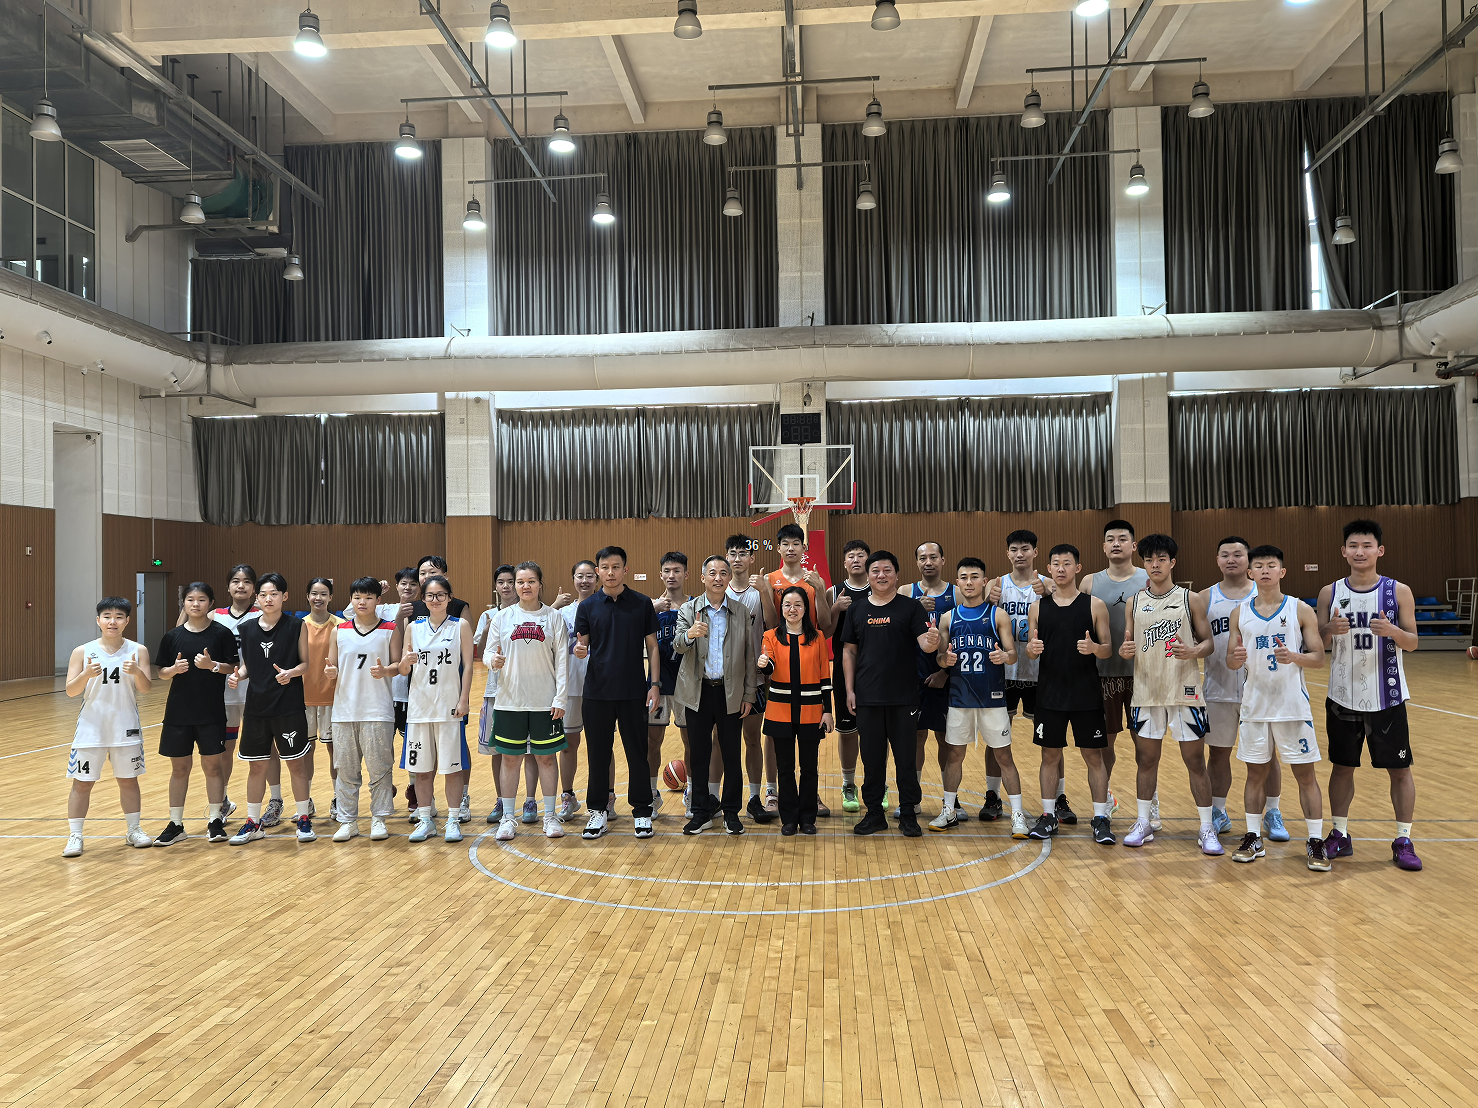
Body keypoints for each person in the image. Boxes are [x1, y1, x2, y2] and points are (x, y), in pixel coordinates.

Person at [1317, 519, 1422, 871]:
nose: (1359, 552)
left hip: (1387, 697)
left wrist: (1393, 631)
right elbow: (1318, 645)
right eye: (1353, 546)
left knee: (1400, 771)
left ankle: (1403, 839)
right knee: (1342, 768)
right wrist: (1329, 629)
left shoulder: (1398, 591)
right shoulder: (1329, 592)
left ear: (1380, 550)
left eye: (1366, 546)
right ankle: (1340, 833)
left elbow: (1413, 643)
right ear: (1343, 551)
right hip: (1342, 696)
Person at [1226, 546, 1330, 871]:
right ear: (1250, 573)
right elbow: (1230, 660)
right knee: (1255, 773)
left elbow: (1319, 657)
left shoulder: (1300, 609)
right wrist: (1235, 659)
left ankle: (1315, 840)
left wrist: (1294, 657)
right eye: (1259, 566)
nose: (1266, 570)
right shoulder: (1240, 613)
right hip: (1255, 707)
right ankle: (1253, 836)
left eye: (1272, 565)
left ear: (1282, 572)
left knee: (1305, 775)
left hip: (1292, 707)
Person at [1118, 534, 1218, 854]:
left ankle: (1207, 827)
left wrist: (1194, 651)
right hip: (1147, 692)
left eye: (1161, 559)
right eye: (1149, 560)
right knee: (1146, 759)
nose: (1155, 565)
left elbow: (1209, 643)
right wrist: (1124, 650)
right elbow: (1127, 646)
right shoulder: (1134, 602)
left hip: (1184, 691)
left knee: (1195, 761)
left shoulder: (1191, 599)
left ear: (1172, 562)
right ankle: (1144, 821)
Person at [841, 551, 939, 837]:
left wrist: (934, 640)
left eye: (887, 570)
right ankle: (874, 813)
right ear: (868, 576)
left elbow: (926, 645)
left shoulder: (911, 608)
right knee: (872, 760)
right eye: (875, 571)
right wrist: (849, 690)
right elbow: (849, 652)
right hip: (867, 697)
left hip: (904, 697)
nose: (881, 575)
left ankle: (908, 813)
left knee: (905, 759)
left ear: (897, 575)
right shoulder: (857, 610)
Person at [1198, 538, 1289, 842]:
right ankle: (1218, 811)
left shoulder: (1264, 594)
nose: (1231, 559)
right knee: (1218, 754)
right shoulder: (1205, 598)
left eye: (1238, 554)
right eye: (1225, 555)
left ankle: (1272, 812)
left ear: (1248, 561)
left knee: (1268, 756)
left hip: (1263, 692)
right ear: (1217, 560)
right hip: (1218, 688)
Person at [1025, 545, 1115, 844]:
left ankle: (1101, 818)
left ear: (1078, 568)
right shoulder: (1038, 607)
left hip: (1085, 694)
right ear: (1049, 569)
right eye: (1056, 563)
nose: (1061, 568)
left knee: (1094, 756)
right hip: (1050, 694)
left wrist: (1094, 648)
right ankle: (1049, 815)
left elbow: (1107, 649)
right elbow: (1031, 650)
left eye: (1067, 563)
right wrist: (1031, 649)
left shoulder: (1095, 605)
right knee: (1049, 756)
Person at [575, 546, 661, 840]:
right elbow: (582, 643)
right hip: (596, 693)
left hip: (633, 692)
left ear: (625, 570)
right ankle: (598, 812)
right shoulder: (587, 607)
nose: (610, 572)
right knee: (598, 755)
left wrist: (654, 684)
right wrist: (580, 649)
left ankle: (642, 812)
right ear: (598, 571)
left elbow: (652, 646)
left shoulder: (641, 603)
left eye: (615, 567)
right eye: (605, 567)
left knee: (637, 754)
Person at [226, 575, 315, 845]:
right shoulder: (247, 628)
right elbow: (248, 666)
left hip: (288, 706)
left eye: (274, 594)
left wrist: (291, 673)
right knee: (256, 767)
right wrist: (238, 676)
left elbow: (305, 664)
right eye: (263, 594)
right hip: (256, 708)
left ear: (284, 597)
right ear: (257, 598)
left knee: (296, 764)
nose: (268, 599)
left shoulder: (297, 625)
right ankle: (253, 822)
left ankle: (303, 818)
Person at [62, 597, 154, 857]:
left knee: (128, 781)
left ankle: (134, 830)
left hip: (126, 726)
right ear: (98, 620)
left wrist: (137, 672)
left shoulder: (138, 650)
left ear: (127, 621)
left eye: (118, 617)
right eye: (107, 616)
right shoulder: (82, 651)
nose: (113, 621)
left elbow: (146, 688)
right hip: (91, 728)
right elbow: (70, 691)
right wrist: (85, 675)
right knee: (82, 783)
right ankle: (75, 836)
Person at [675, 555, 758, 835]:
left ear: (729, 578)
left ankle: (732, 812)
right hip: (698, 693)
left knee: (732, 754)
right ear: (703, 578)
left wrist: (749, 695)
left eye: (723, 573)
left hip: (730, 693)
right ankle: (701, 813)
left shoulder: (741, 611)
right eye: (712, 573)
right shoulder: (689, 609)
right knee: (699, 755)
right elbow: (677, 645)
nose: (718, 578)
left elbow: (749, 656)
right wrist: (690, 635)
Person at [934, 558, 1018, 833]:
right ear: (957, 582)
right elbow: (940, 657)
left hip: (992, 698)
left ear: (984, 581)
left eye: (974, 577)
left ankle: (1017, 814)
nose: (969, 582)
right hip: (960, 699)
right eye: (964, 577)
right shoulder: (948, 618)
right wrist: (944, 660)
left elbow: (1013, 654)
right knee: (954, 755)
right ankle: (949, 810)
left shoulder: (998, 615)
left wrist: (1005, 656)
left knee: (1004, 756)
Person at [488, 561, 570, 842]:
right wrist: (492, 660)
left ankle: (550, 816)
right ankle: (508, 818)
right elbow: (487, 652)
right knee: (510, 760)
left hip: (545, 701)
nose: (525, 586)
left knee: (546, 758)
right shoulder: (502, 617)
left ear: (540, 585)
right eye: (520, 581)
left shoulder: (554, 618)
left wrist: (560, 697)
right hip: (509, 701)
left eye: (531, 581)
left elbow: (562, 661)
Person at [153, 582, 239, 845]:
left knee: (212, 766)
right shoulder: (172, 636)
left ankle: (215, 820)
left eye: (202, 599)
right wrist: (173, 670)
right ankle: (176, 824)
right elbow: (161, 672)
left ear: (210, 603)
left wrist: (212, 665)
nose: (195, 604)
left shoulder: (221, 633)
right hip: (178, 713)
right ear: (184, 603)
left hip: (211, 712)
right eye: (190, 599)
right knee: (179, 769)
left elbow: (233, 666)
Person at [760, 524, 831, 817]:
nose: (791, 548)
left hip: (808, 654)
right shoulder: (769, 579)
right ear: (778, 548)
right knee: (777, 731)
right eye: (785, 544)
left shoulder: (814, 580)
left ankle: (811, 797)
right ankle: (773, 791)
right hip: (778, 655)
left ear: (804, 548)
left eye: (796, 543)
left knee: (808, 745)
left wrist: (821, 590)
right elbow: (769, 622)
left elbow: (825, 625)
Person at [1081, 519, 1147, 819]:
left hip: (1141, 676)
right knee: (1104, 744)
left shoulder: (1148, 579)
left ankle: (1150, 801)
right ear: (1104, 546)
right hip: (1101, 675)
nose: (1116, 543)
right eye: (1110, 539)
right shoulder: (1089, 582)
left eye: (1122, 538)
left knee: (1145, 745)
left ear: (1133, 545)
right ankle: (1104, 798)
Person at [401, 574, 474, 844]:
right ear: (423, 599)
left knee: (452, 768)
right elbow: (403, 669)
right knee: (422, 770)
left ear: (449, 597)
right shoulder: (413, 627)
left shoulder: (460, 626)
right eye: (430, 595)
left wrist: (464, 699)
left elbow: (469, 665)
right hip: (419, 708)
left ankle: (453, 820)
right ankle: (425, 820)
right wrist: (406, 662)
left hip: (448, 707)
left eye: (440, 595)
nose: (435, 599)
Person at [327, 577, 401, 843]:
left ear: (378, 601)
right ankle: (348, 820)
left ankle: (379, 818)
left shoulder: (390, 629)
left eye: (368, 597)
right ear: (351, 600)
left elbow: (399, 666)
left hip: (377, 710)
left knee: (380, 768)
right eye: (357, 597)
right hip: (344, 711)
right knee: (345, 769)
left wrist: (386, 671)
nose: (362, 602)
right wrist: (330, 672)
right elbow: (331, 667)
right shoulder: (339, 630)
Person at [986, 530, 1051, 823]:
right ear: (1007, 553)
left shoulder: (1048, 584)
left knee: (1051, 740)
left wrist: (1048, 596)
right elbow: (982, 621)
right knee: (996, 737)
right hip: (1004, 672)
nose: (1020, 554)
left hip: (1040, 673)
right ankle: (992, 795)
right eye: (1014, 549)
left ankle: (1058, 798)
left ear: (1035, 552)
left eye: (1025, 548)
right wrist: (988, 600)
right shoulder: (996, 585)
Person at [725, 534, 781, 822]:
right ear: (727, 557)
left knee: (752, 738)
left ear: (752, 558)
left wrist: (764, 593)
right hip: (723, 679)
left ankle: (754, 797)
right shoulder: (719, 589)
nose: (737, 558)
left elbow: (773, 625)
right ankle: (717, 797)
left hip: (754, 678)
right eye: (733, 553)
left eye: (742, 553)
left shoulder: (759, 589)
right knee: (721, 741)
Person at [479, 565, 534, 824]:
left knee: (531, 750)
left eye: (511, 581)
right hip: (496, 691)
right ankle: (501, 800)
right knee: (497, 750)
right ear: (496, 586)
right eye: (501, 582)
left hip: (529, 691)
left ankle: (531, 800)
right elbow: (481, 652)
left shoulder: (533, 614)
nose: (506, 586)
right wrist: (488, 628)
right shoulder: (489, 615)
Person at [907, 541, 954, 819]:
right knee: (916, 738)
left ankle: (951, 801)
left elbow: (962, 635)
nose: (928, 562)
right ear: (916, 562)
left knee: (946, 739)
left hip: (946, 678)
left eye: (933, 557)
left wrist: (945, 673)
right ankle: (913, 799)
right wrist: (915, 608)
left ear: (943, 560)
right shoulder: (906, 593)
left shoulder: (956, 593)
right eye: (922, 557)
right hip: (914, 677)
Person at [827, 538, 871, 813]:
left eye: (861, 555)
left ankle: (877, 782)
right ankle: (848, 784)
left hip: (875, 670)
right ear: (844, 563)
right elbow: (825, 632)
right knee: (847, 732)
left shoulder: (879, 587)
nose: (856, 559)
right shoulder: (834, 592)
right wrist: (835, 609)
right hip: (843, 671)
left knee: (876, 732)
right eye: (851, 556)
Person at [649, 552, 691, 817]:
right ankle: (651, 794)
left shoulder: (695, 606)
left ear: (686, 574)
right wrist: (652, 611)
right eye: (667, 571)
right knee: (652, 740)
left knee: (691, 740)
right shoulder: (650, 607)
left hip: (688, 686)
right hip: (659, 684)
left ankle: (692, 793)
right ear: (661, 574)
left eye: (677, 570)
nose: (672, 575)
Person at [556, 559, 598, 821]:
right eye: (580, 576)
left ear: (597, 578)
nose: (584, 581)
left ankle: (606, 796)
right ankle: (568, 796)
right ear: (573, 579)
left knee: (601, 745)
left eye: (589, 576)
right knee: (569, 745)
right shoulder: (562, 613)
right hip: (570, 687)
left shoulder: (605, 607)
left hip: (599, 686)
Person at [379, 567, 420, 819]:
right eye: (404, 583)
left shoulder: (424, 611)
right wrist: (379, 593)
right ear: (396, 586)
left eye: (413, 584)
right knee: (384, 745)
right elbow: (350, 613)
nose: (408, 588)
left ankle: (414, 787)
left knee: (412, 744)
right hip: (386, 691)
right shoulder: (384, 609)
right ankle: (385, 785)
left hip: (412, 692)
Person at [302, 578, 339, 820]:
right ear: (307, 596)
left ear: (330, 597)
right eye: (314, 593)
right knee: (306, 751)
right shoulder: (299, 626)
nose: (318, 598)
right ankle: (305, 801)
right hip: (303, 698)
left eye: (323, 594)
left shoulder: (340, 625)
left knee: (335, 751)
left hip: (332, 698)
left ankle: (338, 798)